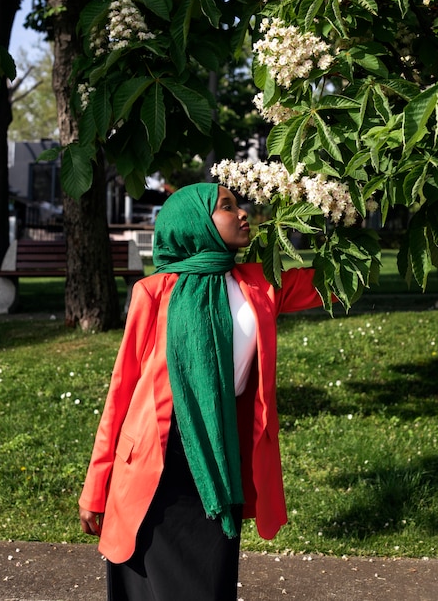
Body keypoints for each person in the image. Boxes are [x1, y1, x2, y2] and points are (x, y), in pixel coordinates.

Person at [79, 182, 324, 601]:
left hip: (218, 454)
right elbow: (121, 391)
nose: (242, 212)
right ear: (195, 223)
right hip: (155, 466)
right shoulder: (154, 292)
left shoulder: (262, 285)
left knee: (210, 584)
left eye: (238, 203)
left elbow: (337, 284)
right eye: (226, 207)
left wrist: (333, 202)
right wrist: (95, 485)